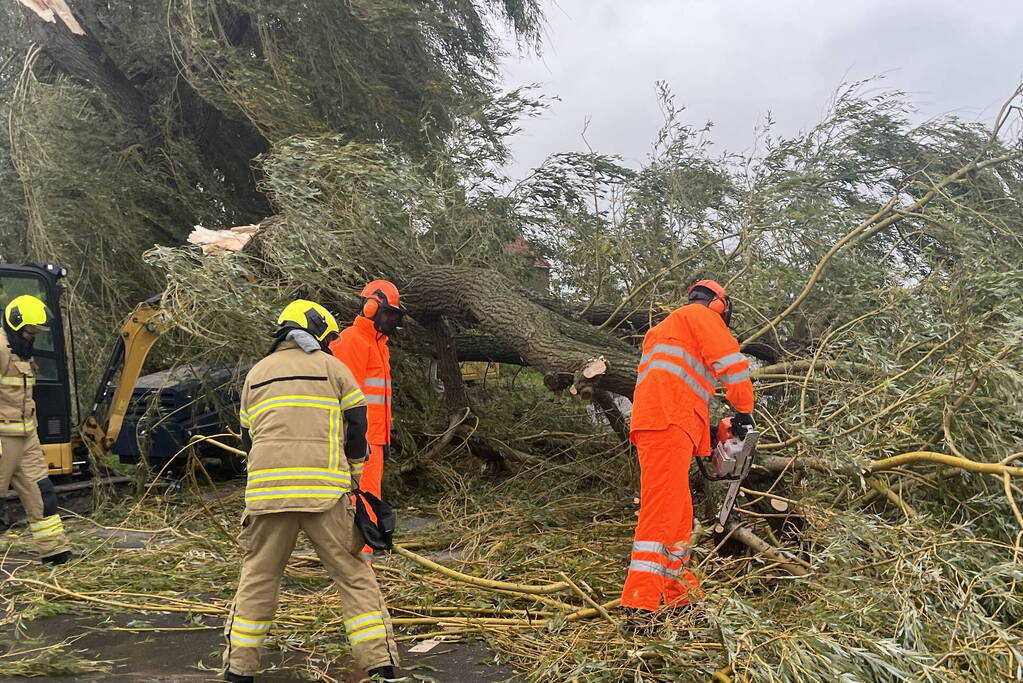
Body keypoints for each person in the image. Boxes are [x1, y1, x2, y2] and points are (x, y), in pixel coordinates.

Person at [223, 300, 400, 682]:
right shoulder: (333, 369)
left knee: (258, 577)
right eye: (329, 335)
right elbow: (357, 428)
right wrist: (353, 476)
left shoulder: (256, 374)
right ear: (317, 329)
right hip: (325, 496)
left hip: (268, 498)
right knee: (353, 575)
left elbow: (248, 439)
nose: (332, 342)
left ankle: (239, 670)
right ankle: (380, 665)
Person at [620, 280, 755, 630]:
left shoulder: (665, 328)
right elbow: (735, 368)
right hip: (668, 422)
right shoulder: (701, 317)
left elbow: (678, 385)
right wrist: (744, 411)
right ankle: (639, 603)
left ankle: (679, 595)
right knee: (661, 511)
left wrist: (708, 432)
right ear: (718, 306)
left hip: (666, 421)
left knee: (680, 514)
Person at [329, 281, 404, 562]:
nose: (390, 321)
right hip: (360, 437)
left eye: (394, 316)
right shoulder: (352, 341)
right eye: (387, 314)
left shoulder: (380, 346)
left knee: (371, 495)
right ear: (370, 307)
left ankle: (366, 550)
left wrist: (383, 436)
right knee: (360, 495)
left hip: (376, 436)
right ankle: (360, 554)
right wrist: (353, 439)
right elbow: (344, 396)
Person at [0, 295, 72, 565]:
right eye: (31, 330)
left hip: (26, 437)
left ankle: (55, 551)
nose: (34, 335)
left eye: (37, 330)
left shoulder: (21, 350)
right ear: (15, 323)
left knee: (43, 494)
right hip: (2, 438)